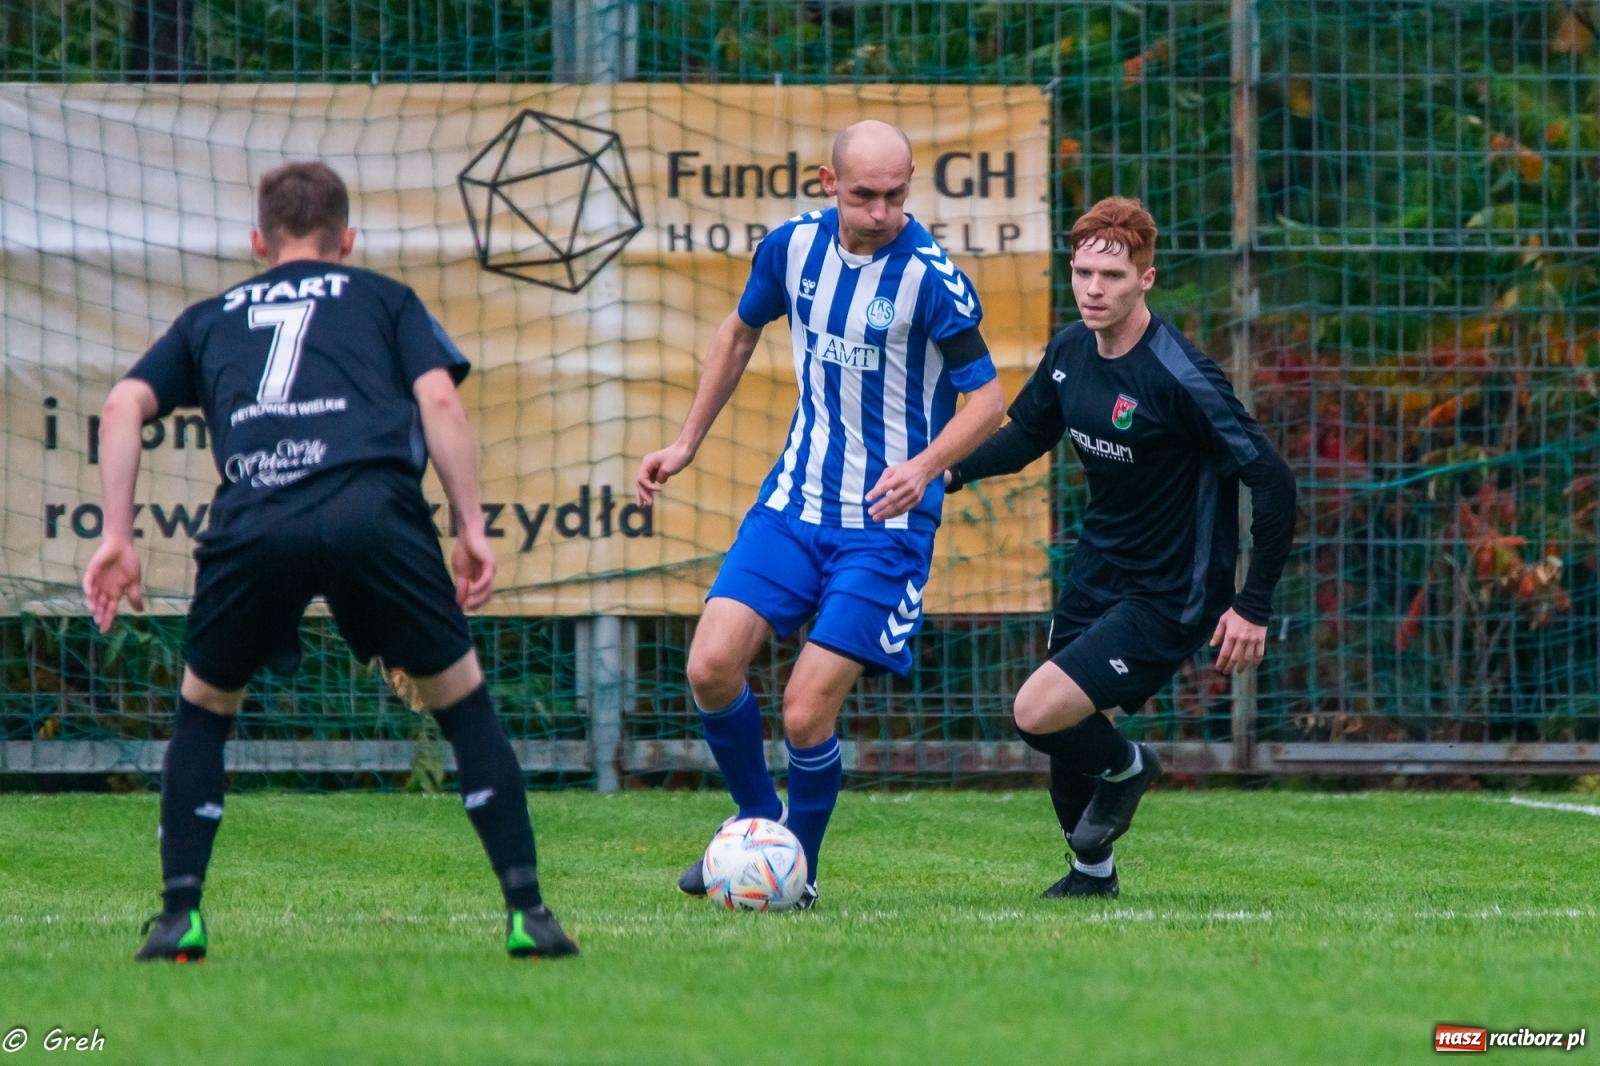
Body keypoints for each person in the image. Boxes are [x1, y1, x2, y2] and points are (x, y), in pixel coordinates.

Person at [83, 161, 578, 961]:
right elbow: (440, 400)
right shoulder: (384, 299)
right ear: (346, 241)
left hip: (258, 514)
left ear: (258, 241)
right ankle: (528, 913)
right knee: (464, 706)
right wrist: (471, 525)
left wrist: (117, 536)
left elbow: (122, 405)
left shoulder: (211, 316)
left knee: (205, 711)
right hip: (371, 513)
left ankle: (180, 918)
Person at [635, 120, 1005, 907]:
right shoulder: (792, 248)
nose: (880, 211)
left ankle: (792, 871)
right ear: (827, 183)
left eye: (896, 196)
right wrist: (685, 443)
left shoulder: (932, 280)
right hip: (795, 503)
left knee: (805, 712)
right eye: (864, 195)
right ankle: (757, 829)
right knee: (708, 665)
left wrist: (925, 467)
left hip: (885, 528)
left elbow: (990, 399)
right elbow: (739, 332)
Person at [946, 196, 1296, 899]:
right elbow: (1023, 436)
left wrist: (1252, 605)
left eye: (1111, 275)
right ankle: (1092, 877)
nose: (1093, 289)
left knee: (1038, 711)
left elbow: (1273, 479)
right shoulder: (1073, 350)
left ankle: (1132, 769)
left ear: (1146, 279)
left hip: (1172, 589)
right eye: (1082, 273)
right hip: (1097, 569)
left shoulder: (1180, 377)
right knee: (1074, 723)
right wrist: (943, 473)